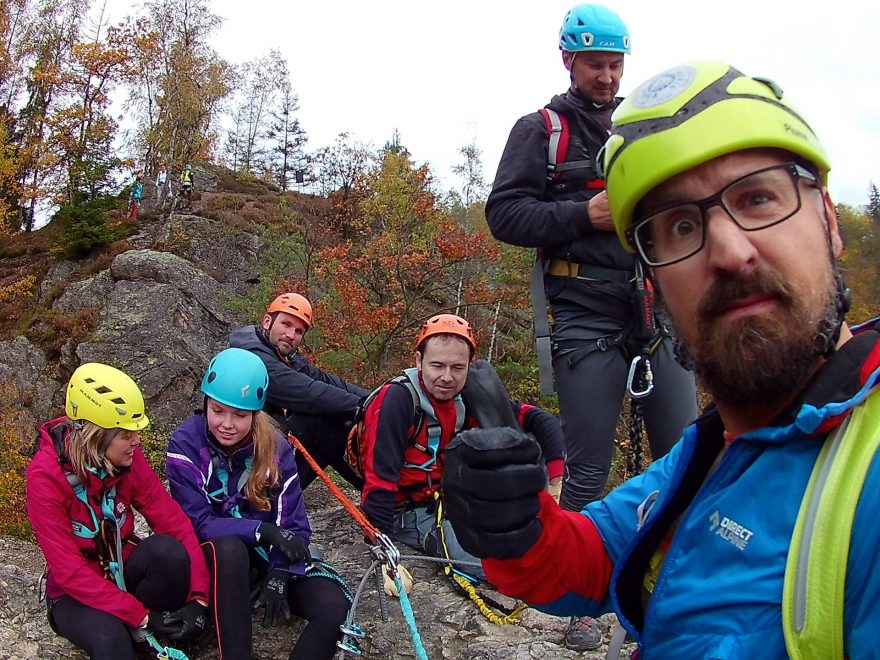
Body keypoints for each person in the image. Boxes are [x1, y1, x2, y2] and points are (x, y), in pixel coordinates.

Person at [442, 60, 880, 657]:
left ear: (829, 218)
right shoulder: (713, 452)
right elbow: (590, 557)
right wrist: (515, 525)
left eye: (758, 198)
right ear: (655, 280)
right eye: (679, 227)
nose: (729, 252)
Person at [485, 5, 698, 648]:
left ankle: (687, 585)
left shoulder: (640, 125)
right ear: (568, 61)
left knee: (688, 453)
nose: (607, 77)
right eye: (595, 65)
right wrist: (586, 214)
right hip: (583, 312)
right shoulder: (541, 130)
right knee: (586, 467)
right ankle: (574, 600)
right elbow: (506, 214)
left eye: (615, 65)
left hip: (654, 307)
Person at [166, 348, 350, 660]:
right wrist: (261, 531)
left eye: (240, 415)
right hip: (212, 556)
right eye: (218, 411)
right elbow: (197, 522)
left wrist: (280, 572)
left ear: (254, 414)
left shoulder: (275, 448)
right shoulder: (186, 444)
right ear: (205, 404)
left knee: (334, 605)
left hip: (262, 557)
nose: (227, 424)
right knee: (230, 548)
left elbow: (293, 525)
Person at [359, 313, 565, 580]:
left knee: (526, 446)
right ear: (419, 361)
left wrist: (556, 480)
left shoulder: (465, 395)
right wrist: (384, 551)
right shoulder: (398, 400)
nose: (447, 377)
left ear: (469, 365)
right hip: (410, 510)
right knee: (491, 566)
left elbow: (539, 421)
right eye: (437, 366)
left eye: (457, 368)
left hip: (454, 496)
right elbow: (379, 482)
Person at [26, 363, 211, 660]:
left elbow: (173, 522)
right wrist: (142, 616)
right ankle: (136, 636)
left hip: (121, 568)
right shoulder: (45, 478)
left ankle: (153, 642)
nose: (136, 442)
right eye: (125, 435)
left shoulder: (128, 459)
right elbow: (69, 571)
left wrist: (199, 598)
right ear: (96, 436)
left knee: (169, 553)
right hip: (75, 593)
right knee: (110, 640)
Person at [229, 292, 368, 490]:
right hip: (241, 462)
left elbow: (327, 380)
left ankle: (381, 494)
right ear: (267, 322)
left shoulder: (283, 355)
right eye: (286, 325)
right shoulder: (252, 357)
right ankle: (382, 497)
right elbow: (308, 393)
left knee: (324, 420)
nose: (291, 335)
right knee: (316, 422)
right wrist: (365, 407)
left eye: (298, 331)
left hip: (262, 447)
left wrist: (381, 397)